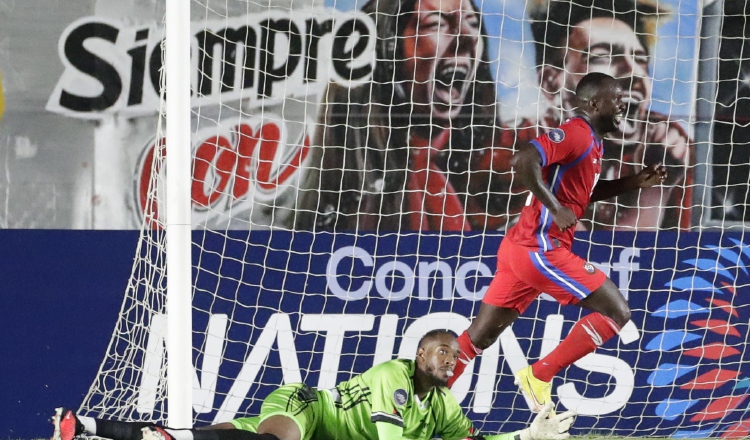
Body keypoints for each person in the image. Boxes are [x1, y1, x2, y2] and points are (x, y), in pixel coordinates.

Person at [446, 73, 668, 412]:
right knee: (616, 312)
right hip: (540, 248)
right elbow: (523, 160)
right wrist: (555, 206)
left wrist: (634, 182)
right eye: (616, 97)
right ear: (594, 104)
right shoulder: (576, 133)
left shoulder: (594, 142)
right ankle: (539, 375)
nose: (623, 103)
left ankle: (420, 400)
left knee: (479, 337)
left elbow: (582, 195)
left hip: (521, 249)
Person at [51, 330, 577, 440]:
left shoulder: (442, 404)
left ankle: (85, 427)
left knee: (205, 437)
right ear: (421, 354)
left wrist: (524, 439)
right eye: (443, 351)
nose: (451, 359)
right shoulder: (392, 377)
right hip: (310, 407)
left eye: (456, 356)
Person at [294, 0, 514, 232]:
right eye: (436, 23)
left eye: (473, 22)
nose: (469, 37)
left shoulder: (490, 177)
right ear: (387, 52)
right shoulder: (337, 201)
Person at [516, 0, 690, 230]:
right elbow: (597, 254)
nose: (634, 72)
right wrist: (654, 193)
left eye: (640, 60)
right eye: (603, 57)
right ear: (550, 82)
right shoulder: (520, 149)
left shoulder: (670, 146)